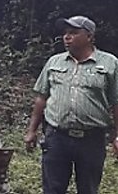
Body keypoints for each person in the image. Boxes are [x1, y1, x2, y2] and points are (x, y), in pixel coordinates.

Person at [23, 16, 118, 194]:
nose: (67, 37)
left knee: (88, 188)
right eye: (65, 33)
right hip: (57, 137)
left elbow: (116, 102)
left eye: (73, 33)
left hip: (92, 139)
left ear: (89, 37)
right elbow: (41, 98)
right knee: (53, 188)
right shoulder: (54, 62)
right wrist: (31, 131)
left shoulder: (110, 64)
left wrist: (116, 136)